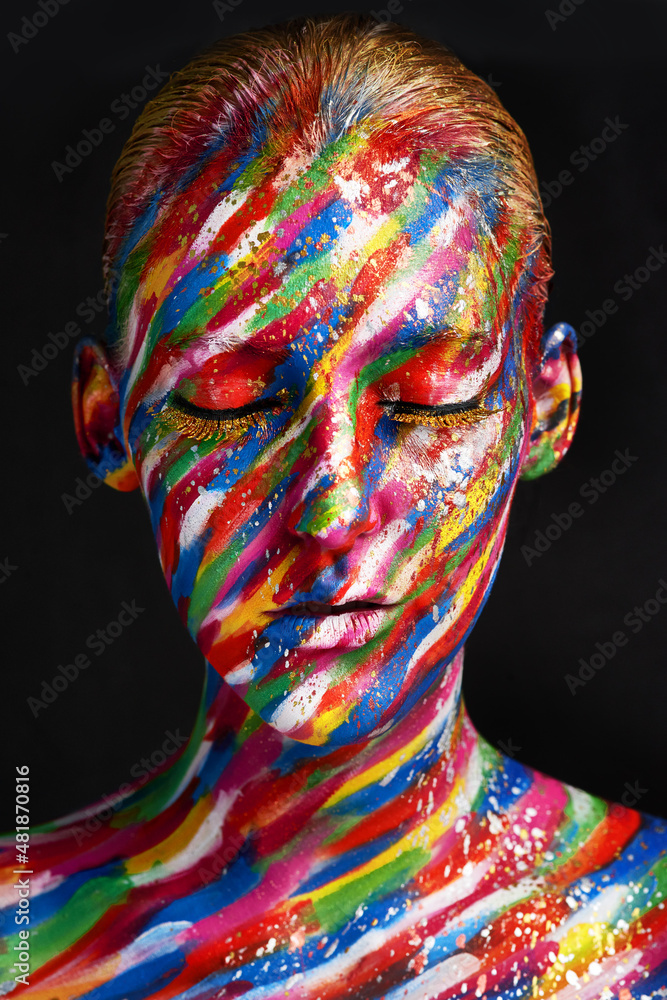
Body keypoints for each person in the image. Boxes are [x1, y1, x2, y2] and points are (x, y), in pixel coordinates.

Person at [2, 14, 665, 998]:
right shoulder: (21, 944)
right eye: (232, 401)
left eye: (424, 400)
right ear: (109, 420)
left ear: (545, 405)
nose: (331, 503)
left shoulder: (642, 936)